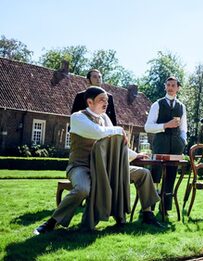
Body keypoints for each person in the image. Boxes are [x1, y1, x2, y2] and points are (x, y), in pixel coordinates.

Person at [34, 87, 162, 235]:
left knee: (143, 173)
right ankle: (52, 222)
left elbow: (114, 146)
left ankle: (147, 214)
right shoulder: (78, 117)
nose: (106, 103)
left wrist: (135, 155)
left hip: (106, 168)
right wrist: (119, 130)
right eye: (102, 100)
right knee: (83, 188)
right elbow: (98, 133)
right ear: (90, 102)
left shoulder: (105, 119)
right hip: (81, 167)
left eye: (107, 100)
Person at [144, 76, 187, 214]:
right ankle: (150, 207)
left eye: (173, 85)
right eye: (168, 85)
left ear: (178, 88)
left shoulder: (181, 106)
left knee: (171, 174)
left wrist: (183, 141)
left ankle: (165, 208)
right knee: (155, 173)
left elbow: (184, 128)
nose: (170, 87)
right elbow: (147, 127)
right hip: (160, 142)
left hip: (176, 144)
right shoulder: (157, 104)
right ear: (165, 87)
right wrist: (165, 125)